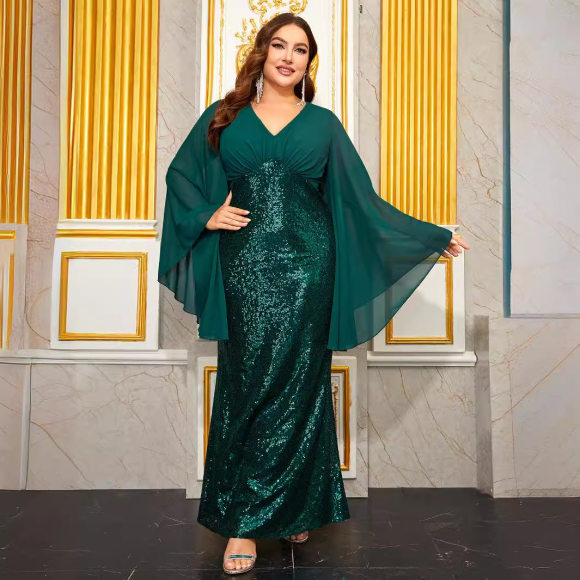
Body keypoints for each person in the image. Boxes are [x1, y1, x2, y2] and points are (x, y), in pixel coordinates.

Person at [158, 12, 469, 576]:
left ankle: (293, 505)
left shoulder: (323, 125)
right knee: (248, 385)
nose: (288, 57)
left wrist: (428, 236)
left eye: (300, 49)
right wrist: (207, 214)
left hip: (309, 268)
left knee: (301, 385)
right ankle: (245, 521)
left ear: (309, 63)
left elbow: (361, 201)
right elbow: (180, 176)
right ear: (262, 52)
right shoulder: (226, 116)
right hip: (245, 266)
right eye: (279, 45)